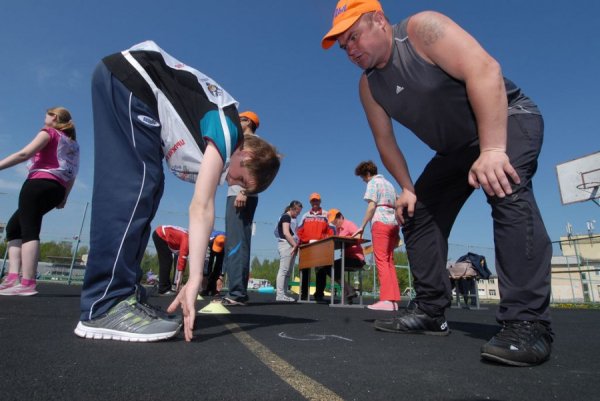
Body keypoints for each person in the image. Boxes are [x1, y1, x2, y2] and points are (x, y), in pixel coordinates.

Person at [322, 0, 553, 366]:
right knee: (417, 213)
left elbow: (485, 69)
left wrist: (493, 148)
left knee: (504, 186)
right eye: (343, 45)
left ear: (379, 20)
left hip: (506, 119)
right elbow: (386, 144)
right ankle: (431, 310)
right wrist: (408, 188)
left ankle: (528, 322)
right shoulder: (368, 88)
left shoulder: (422, 30)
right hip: (455, 150)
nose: (350, 49)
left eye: (354, 36)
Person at [75, 40, 280, 343]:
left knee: (149, 185)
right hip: (131, 79)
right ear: (247, 158)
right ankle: (105, 304)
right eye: (242, 180)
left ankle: (124, 292)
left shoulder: (208, 139)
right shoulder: (228, 131)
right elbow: (201, 206)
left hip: (129, 85)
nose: (233, 183)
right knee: (136, 185)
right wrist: (195, 278)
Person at [0, 107, 79, 296]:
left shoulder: (49, 133)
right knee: (13, 227)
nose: (44, 118)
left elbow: (23, 154)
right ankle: (13, 278)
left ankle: (27, 282)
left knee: (29, 228)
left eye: (47, 114)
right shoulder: (72, 144)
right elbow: (73, 174)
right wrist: (64, 196)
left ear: (54, 117)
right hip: (56, 188)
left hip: (38, 183)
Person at [220, 110, 261, 306]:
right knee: (234, 241)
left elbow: (255, 169)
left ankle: (237, 294)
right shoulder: (241, 141)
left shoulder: (252, 142)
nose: (237, 122)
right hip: (235, 193)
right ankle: (236, 290)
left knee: (238, 242)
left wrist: (244, 191)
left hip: (241, 194)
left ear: (249, 122)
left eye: (241, 119)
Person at [352, 161, 401, 311]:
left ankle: (386, 299)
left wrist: (362, 226)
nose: (363, 181)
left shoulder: (373, 183)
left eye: (362, 178)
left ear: (367, 174)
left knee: (381, 260)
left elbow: (372, 206)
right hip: (393, 223)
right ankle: (393, 301)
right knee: (389, 260)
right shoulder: (389, 184)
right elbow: (398, 203)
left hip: (380, 222)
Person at [313, 209, 363, 304]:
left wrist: (348, 238)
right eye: (333, 222)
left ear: (341, 217)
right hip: (345, 258)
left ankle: (349, 290)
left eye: (335, 221)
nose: (335, 224)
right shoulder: (338, 230)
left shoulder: (349, 224)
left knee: (331, 265)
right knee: (323, 266)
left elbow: (359, 236)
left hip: (356, 258)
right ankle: (348, 291)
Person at [296, 193, 334, 300]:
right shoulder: (305, 215)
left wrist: (324, 240)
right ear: (310, 202)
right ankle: (304, 294)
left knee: (321, 271)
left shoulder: (327, 215)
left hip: (321, 247)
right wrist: (303, 241)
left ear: (320, 201)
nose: (315, 203)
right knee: (304, 271)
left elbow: (332, 231)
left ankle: (319, 294)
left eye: (316, 200)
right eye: (313, 201)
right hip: (306, 247)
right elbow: (299, 231)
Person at [274, 200, 303, 302]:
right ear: (292, 209)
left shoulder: (292, 218)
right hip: (286, 244)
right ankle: (280, 294)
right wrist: (295, 245)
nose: (298, 214)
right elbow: (286, 232)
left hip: (291, 245)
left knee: (288, 271)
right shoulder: (286, 217)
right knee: (284, 270)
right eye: (297, 212)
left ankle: (284, 293)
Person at [151, 225, 189, 295]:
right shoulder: (187, 239)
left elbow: (182, 258)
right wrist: (179, 279)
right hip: (160, 235)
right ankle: (163, 289)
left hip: (164, 235)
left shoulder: (188, 236)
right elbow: (182, 259)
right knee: (166, 261)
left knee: (168, 260)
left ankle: (166, 286)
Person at [202, 230, 226, 297]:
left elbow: (225, 262)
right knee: (208, 265)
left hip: (223, 250)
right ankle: (206, 288)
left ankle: (214, 289)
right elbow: (206, 260)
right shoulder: (208, 240)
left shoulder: (228, 244)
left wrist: (221, 276)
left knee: (219, 266)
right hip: (211, 247)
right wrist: (205, 275)